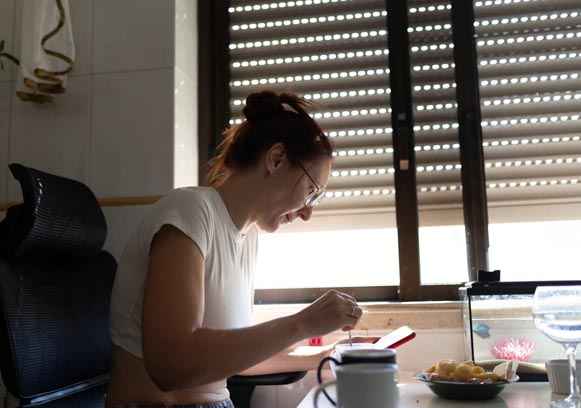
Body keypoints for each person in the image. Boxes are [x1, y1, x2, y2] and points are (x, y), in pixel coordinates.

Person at [106, 90, 366, 408]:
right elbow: (172, 364)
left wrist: (327, 355)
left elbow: (233, 360)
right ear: (276, 159)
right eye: (311, 191)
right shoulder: (190, 210)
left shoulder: (247, 237)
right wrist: (304, 322)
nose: (307, 212)